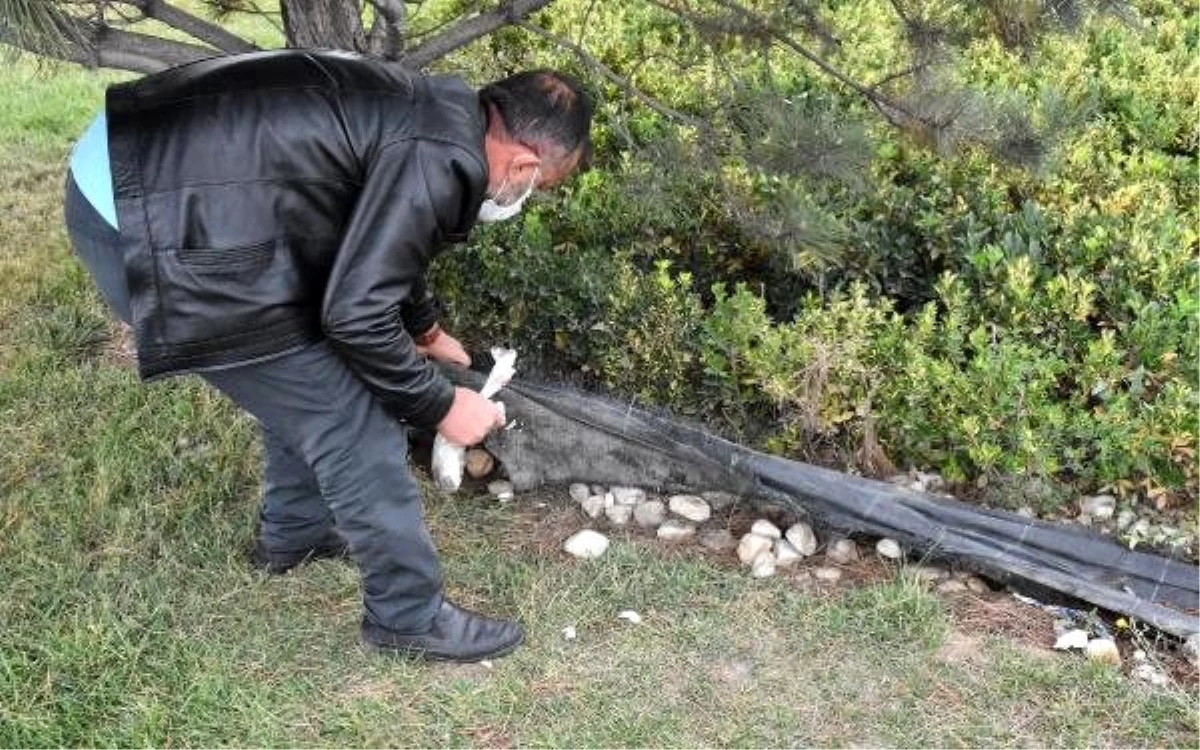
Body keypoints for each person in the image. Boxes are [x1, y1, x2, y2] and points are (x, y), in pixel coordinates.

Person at [63, 49, 593, 663]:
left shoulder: (441, 113)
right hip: (145, 217)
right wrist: (440, 404)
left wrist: (423, 330)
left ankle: (296, 532)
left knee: (306, 370)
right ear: (524, 162)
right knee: (351, 417)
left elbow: (377, 231)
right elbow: (354, 315)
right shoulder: (440, 156)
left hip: (141, 167)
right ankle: (407, 616)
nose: (525, 196)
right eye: (538, 186)